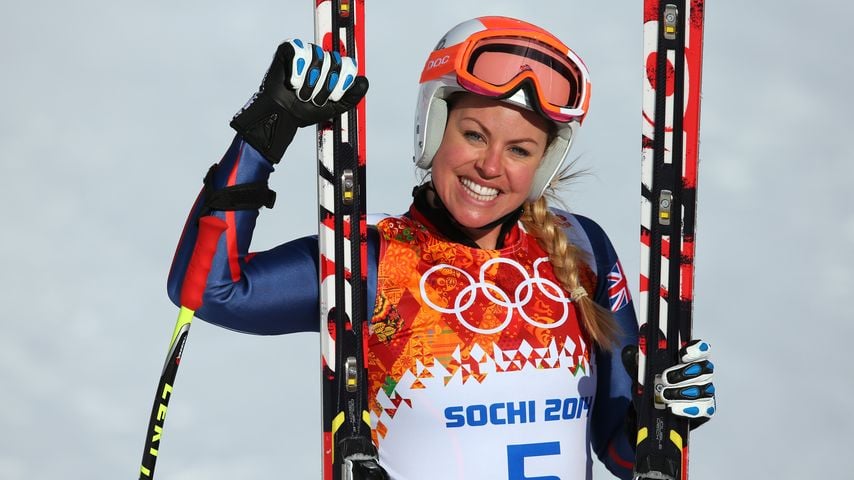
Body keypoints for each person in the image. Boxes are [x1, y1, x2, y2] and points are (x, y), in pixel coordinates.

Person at [167, 16, 715, 480]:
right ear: (433, 129)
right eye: (475, 135)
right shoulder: (371, 257)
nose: (491, 167)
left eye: (520, 150)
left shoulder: (580, 248)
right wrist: (266, 130)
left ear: (543, 165)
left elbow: (618, 447)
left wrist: (661, 417)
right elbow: (211, 289)